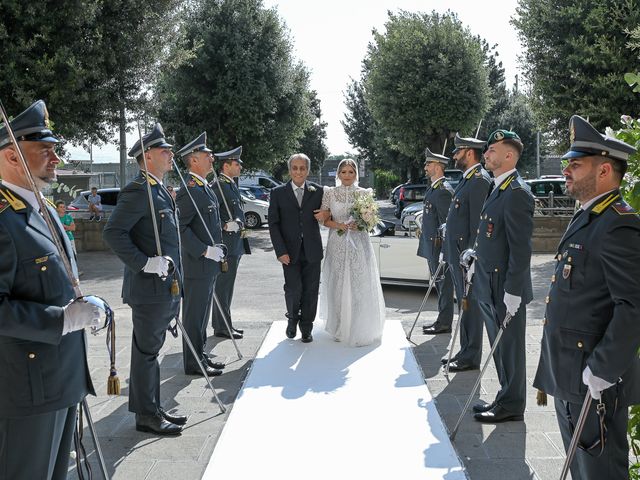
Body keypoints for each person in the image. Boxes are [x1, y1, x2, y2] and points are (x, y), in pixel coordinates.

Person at [533, 116, 640, 479]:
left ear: (605, 170)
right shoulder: (590, 217)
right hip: (572, 373)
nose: (566, 171)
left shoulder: (618, 223)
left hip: (595, 378)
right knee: (582, 469)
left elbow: (634, 305)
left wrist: (604, 367)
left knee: (601, 471)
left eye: (575, 165)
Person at [0, 100, 101, 479]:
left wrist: (88, 306)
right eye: (45, 150)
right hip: (27, 388)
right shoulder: (3, 219)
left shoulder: (43, 208)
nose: (57, 157)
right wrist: (61, 320)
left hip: (61, 377)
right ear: (12, 155)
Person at [103, 123, 186, 436]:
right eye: (163, 150)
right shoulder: (139, 192)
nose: (170, 154)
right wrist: (144, 263)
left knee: (150, 353)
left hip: (164, 287)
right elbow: (112, 232)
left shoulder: (160, 190)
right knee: (147, 354)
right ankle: (147, 415)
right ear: (147, 156)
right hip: (149, 288)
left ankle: (152, 408)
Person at [470, 129, 534, 423]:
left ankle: (513, 403)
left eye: (491, 150)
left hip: (505, 286)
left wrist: (514, 291)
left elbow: (521, 249)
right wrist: (475, 254)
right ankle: (506, 396)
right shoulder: (499, 187)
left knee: (509, 348)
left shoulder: (517, 192)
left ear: (509, 155)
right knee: (499, 347)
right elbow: (492, 234)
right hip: (489, 279)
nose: (486, 154)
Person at [439, 133, 491, 374]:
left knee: (470, 307)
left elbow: (478, 224)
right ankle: (465, 350)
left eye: (457, 152)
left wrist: (472, 255)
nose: (454, 156)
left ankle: (471, 356)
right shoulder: (467, 179)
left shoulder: (479, 180)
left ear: (469, 153)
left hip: (465, 257)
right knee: (464, 305)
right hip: (457, 254)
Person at [320, 158, 385, 346]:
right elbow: (324, 220)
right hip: (337, 242)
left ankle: (359, 326)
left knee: (359, 282)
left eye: (351, 172)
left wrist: (361, 224)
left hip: (359, 242)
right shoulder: (329, 193)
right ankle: (339, 326)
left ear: (356, 174)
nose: (347, 176)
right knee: (338, 283)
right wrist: (340, 225)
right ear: (338, 174)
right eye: (344, 172)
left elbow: (372, 220)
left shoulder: (365, 193)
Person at [175, 132, 226, 377]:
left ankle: (200, 354)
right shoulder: (189, 190)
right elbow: (180, 227)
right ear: (194, 160)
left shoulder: (204, 188)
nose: (212, 159)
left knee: (203, 314)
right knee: (194, 315)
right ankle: (193, 362)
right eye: (207, 155)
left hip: (210, 264)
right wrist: (204, 250)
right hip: (197, 264)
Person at [268, 153, 325, 343]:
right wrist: (280, 251)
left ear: (308, 170)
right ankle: (292, 319)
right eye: (295, 168)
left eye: (302, 168)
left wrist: (328, 212)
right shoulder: (277, 193)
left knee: (310, 290)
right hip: (288, 252)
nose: (298, 171)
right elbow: (273, 224)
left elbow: (330, 212)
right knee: (293, 289)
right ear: (290, 170)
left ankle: (306, 327)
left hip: (312, 250)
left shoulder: (318, 191)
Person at [417, 148, 455, 333]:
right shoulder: (434, 188)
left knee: (444, 285)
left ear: (438, 167)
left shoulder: (443, 191)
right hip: (432, 245)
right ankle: (442, 319)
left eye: (429, 164)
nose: (426, 167)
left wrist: (443, 251)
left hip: (438, 248)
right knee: (440, 284)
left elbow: (447, 224)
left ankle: (445, 322)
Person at [210, 146, 245, 339]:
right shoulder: (218, 186)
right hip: (226, 245)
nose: (240, 166)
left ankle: (225, 323)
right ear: (226, 165)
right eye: (236, 163)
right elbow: (211, 215)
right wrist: (224, 225)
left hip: (235, 245)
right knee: (222, 287)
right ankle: (222, 326)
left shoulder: (230, 184)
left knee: (227, 287)